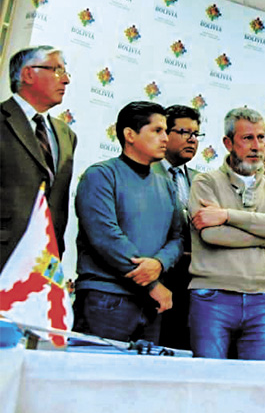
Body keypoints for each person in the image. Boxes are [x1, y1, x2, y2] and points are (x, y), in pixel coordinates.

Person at [72, 101, 182, 342]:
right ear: (129, 135)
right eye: (157, 130)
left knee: (141, 380)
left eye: (166, 131)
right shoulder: (100, 175)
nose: (166, 138)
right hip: (106, 297)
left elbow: (177, 238)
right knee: (95, 377)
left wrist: (160, 264)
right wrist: (152, 283)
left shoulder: (166, 183)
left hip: (152, 306)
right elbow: (105, 237)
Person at [187, 107, 265, 360]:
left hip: (264, 299)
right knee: (208, 383)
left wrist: (227, 216)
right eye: (248, 138)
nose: (257, 146)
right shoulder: (205, 182)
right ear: (228, 142)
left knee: (258, 388)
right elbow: (211, 235)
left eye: (261, 137)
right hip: (212, 296)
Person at [2, 46, 77, 264]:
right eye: (57, 70)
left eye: (66, 72)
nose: (65, 80)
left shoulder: (66, 135)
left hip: (45, 262)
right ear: (28, 74)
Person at [155, 103, 202, 351]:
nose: (192, 140)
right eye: (184, 132)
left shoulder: (201, 181)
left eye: (196, 134)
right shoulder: (146, 173)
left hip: (192, 283)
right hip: (154, 277)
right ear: (165, 133)